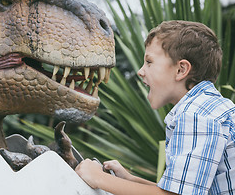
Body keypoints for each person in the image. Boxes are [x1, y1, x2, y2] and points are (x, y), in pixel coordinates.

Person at [75, 20, 235, 194]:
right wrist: (130, 180)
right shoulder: (208, 108)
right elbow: (181, 189)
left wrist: (99, 178)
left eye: (149, 62)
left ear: (181, 70)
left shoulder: (196, 116)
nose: (141, 71)